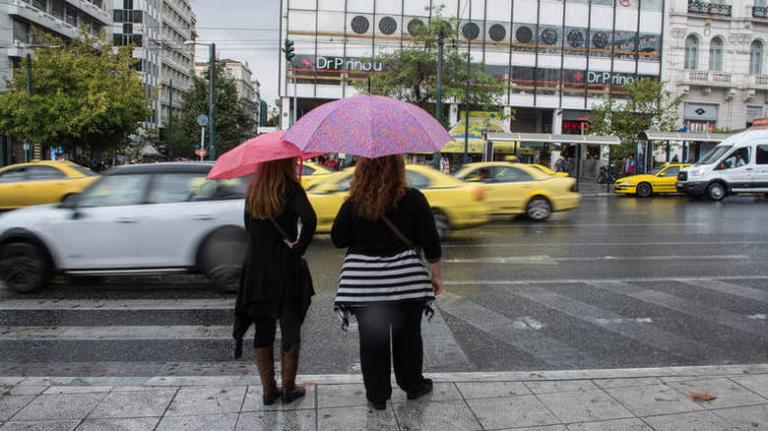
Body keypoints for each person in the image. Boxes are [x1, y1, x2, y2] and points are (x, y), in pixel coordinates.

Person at [331, 155, 443, 411]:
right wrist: (436, 275)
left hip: (364, 286)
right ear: (399, 169)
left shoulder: (353, 204)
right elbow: (431, 242)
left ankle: (377, 395)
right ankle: (412, 385)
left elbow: (338, 239)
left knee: (372, 341)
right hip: (406, 283)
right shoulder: (414, 198)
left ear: (362, 171)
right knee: (409, 337)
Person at [233, 157, 317, 406]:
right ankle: (289, 388)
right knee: (289, 324)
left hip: (257, 269)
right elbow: (310, 219)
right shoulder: (290, 188)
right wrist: (298, 247)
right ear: (286, 164)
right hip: (284, 266)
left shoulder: (254, 191)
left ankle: (269, 390)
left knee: (263, 327)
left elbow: (249, 228)